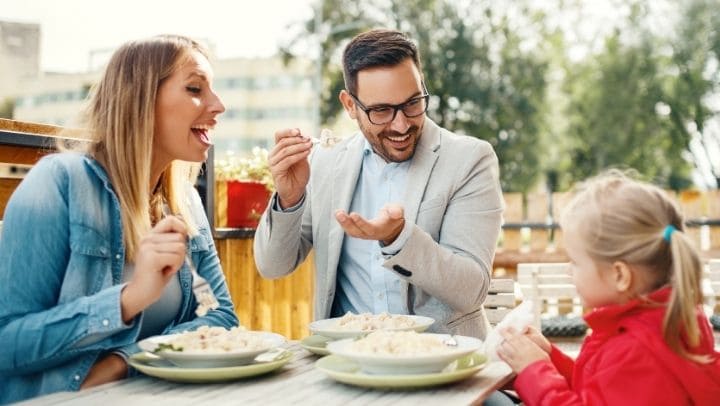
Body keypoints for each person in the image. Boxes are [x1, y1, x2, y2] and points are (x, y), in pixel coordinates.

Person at [0, 35, 238, 404]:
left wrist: (124, 362)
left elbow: (221, 315)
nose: (218, 105)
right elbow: (7, 342)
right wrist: (127, 300)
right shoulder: (60, 182)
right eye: (195, 88)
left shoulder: (185, 201)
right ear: (140, 99)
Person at [254, 29, 504, 338]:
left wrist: (399, 239)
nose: (401, 125)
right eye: (381, 111)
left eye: (412, 103)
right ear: (349, 105)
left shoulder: (468, 160)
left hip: (444, 363)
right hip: (346, 363)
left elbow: (471, 290)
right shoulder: (323, 162)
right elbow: (273, 266)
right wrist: (289, 199)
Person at [497, 171, 720, 405]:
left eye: (575, 262)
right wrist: (550, 359)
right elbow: (603, 390)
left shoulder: (637, 351)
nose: (568, 271)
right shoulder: (663, 323)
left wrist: (535, 370)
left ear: (620, 275)